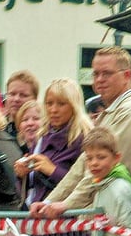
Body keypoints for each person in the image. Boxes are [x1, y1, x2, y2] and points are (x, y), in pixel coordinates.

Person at [31, 47, 131, 233]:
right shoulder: (112, 112)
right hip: (107, 223)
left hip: (127, 227)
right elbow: (83, 165)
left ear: (127, 75)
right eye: (95, 73)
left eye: (106, 73)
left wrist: (65, 205)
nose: (99, 80)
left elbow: (103, 171)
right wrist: (50, 201)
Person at [13, 78, 92, 210]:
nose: (53, 109)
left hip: (68, 222)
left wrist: (52, 170)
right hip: (37, 217)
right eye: (49, 103)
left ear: (74, 106)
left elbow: (87, 185)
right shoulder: (41, 137)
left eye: (61, 104)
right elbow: (31, 188)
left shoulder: (84, 139)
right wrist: (22, 175)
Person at [3, 70, 39, 136]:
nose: (16, 99)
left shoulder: (43, 133)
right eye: (12, 94)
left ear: (35, 99)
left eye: (23, 95)